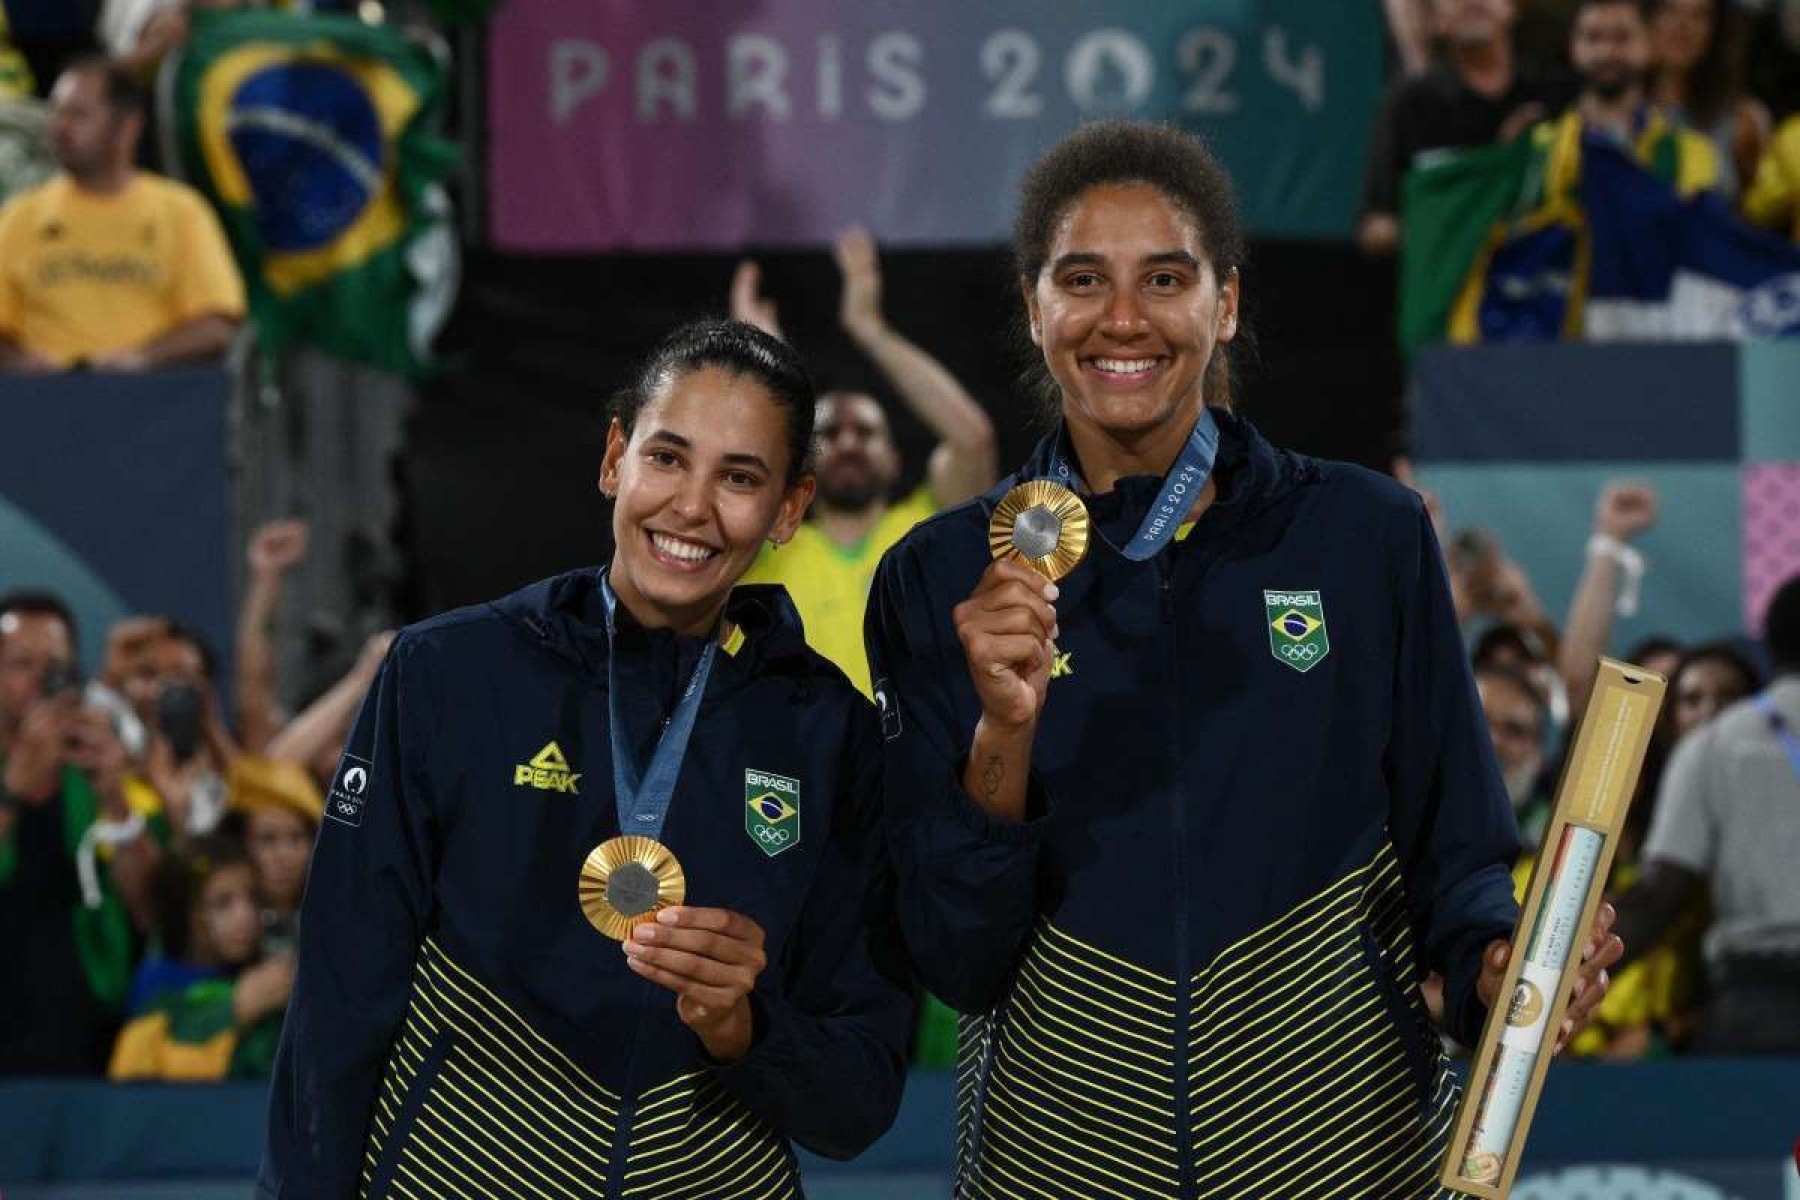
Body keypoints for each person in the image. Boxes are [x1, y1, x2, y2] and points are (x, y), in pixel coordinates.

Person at [868, 120, 1621, 1196]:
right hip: (1062, 1160)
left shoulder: (1366, 534)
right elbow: (956, 955)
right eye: (1082, 279)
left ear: (1223, 305)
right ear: (1035, 310)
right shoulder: (939, 576)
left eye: (1165, 278)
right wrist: (1004, 731)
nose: (1123, 318)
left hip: (1344, 1157)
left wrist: (1500, 963)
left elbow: (1456, 855)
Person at [260, 319, 912, 1198]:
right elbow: (341, 999)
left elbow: (858, 1102)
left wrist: (747, 1028)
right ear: (615, 458)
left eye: (741, 478)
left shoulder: (828, 732)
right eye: (668, 458)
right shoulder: (448, 672)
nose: (691, 506)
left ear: (789, 509)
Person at [735, 227, 997, 698]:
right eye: (829, 434)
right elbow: (743, 459)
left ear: (895, 459)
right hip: (798, 764)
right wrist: (768, 368)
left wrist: (870, 329)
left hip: (916, 762)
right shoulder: (766, 540)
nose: (849, 442)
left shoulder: (927, 529)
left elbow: (972, 439)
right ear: (801, 462)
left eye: (866, 432)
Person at [1613, 574, 1800, 1052]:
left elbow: (1657, 897)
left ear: (1773, 650)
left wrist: (1553, 982)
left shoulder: (1712, 744)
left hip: (1757, 1010)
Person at [0, 54, 243, 370]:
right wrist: (21, 362)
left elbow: (217, 324)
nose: (60, 126)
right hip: (45, 403)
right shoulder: (20, 216)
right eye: (57, 112)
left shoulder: (181, 212)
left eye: (78, 115)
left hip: (156, 406)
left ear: (127, 127)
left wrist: (143, 358)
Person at [0, 588, 156, 1073]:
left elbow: (152, 911)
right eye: (21, 664)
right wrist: (13, 792)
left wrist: (114, 796)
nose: (40, 681)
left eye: (54, 665)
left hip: (88, 1053)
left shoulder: (103, 766)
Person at [1361, 0, 1563, 255]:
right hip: (1449, 283)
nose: (1472, 2)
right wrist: (1450, 216)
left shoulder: (1553, 96)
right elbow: (1375, 227)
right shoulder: (1411, 104)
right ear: (1435, 20)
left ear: (1513, 8)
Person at [109, 831, 291, 1080]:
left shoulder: (269, 976)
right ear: (187, 912)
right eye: (223, 903)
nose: (245, 916)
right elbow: (147, 1067)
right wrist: (236, 1008)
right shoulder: (158, 981)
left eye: (253, 899)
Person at [1529, 0, 1722, 199]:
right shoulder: (1539, 148)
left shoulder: (1691, 154)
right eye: (1593, 37)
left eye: (1622, 37)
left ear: (1649, 44)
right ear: (1572, 46)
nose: (1607, 52)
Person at [1645, 0, 1771, 199]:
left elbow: (1755, 215)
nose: (1682, 26)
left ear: (1715, 30)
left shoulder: (1744, 119)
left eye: (1699, 15)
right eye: (1670, 10)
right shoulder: (1614, 109)